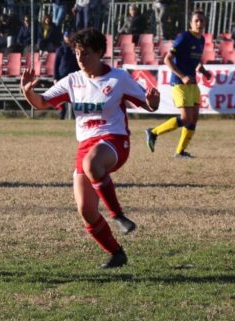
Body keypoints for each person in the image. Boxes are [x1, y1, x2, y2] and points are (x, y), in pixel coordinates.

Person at [21, 28, 160, 268]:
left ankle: (118, 215)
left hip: (115, 141)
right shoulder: (73, 80)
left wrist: (153, 101)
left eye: (85, 54)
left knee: (92, 163)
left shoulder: (118, 78)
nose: (80, 59)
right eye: (77, 54)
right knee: (86, 211)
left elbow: (148, 104)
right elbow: (42, 103)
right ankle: (116, 253)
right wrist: (27, 92)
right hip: (85, 146)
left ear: (99, 53)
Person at [146, 10, 212, 159]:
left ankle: (180, 152)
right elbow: (167, 59)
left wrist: (202, 70)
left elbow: (194, 61)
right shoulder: (184, 37)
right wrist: (182, 76)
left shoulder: (201, 40)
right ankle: (153, 132)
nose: (200, 23)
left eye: (202, 21)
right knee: (185, 118)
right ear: (191, 23)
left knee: (193, 118)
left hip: (192, 83)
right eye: (197, 21)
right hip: (179, 83)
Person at [53, 31, 79, 119]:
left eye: (69, 36)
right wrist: (55, 77)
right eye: (66, 36)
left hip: (73, 76)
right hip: (62, 76)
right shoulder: (60, 49)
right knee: (62, 97)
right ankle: (61, 115)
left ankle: (74, 116)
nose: (68, 38)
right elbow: (56, 64)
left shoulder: (75, 48)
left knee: (74, 97)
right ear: (64, 37)